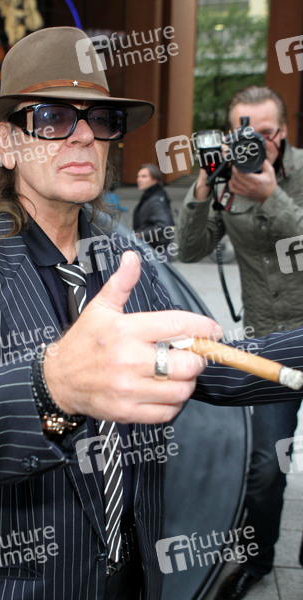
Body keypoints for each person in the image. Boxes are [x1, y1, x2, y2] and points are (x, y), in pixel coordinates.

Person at [0, 30, 303, 600]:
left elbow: (208, 365)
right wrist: (54, 386)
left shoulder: (124, 258)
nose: (85, 135)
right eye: (52, 118)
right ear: (7, 144)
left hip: (135, 580)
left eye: (101, 120)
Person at [176, 85, 303, 600]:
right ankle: (257, 560)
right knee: (266, 466)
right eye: (242, 133)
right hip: (268, 342)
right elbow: (189, 249)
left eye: (264, 133)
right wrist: (203, 185)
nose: (254, 143)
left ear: (283, 133)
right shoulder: (225, 180)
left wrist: (272, 196)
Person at [133, 163, 175, 254]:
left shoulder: (156, 200)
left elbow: (163, 226)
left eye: (144, 176)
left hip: (156, 251)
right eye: (138, 176)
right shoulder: (151, 196)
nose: (139, 179)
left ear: (154, 180)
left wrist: (139, 235)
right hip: (154, 249)